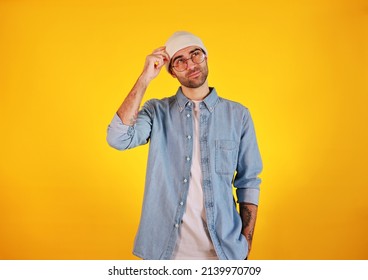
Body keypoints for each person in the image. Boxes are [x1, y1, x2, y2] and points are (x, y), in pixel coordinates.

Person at [107, 31, 263, 260]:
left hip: (223, 254)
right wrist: (145, 78)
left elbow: (248, 181)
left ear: (206, 57)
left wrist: (245, 244)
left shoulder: (238, 115)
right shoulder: (156, 112)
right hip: (163, 253)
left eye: (195, 54)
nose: (190, 64)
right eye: (180, 61)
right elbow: (118, 138)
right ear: (171, 71)